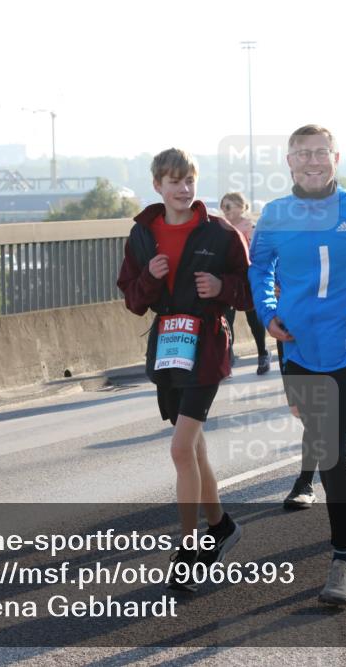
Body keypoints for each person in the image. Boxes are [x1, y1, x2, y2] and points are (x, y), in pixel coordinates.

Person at [249, 124, 346, 605]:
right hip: (298, 346)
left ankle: (341, 558)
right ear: (289, 162)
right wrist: (267, 312)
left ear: (336, 159)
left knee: (332, 451)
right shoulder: (275, 215)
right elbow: (260, 268)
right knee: (324, 444)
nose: (313, 161)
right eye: (303, 154)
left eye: (321, 152)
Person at [116, 148, 250, 592]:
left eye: (189, 180)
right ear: (157, 185)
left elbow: (250, 290)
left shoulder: (221, 232)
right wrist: (150, 277)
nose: (184, 188)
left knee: (180, 449)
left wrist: (221, 287)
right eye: (174, 181)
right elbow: (133, 300)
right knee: (194, 450)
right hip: (168, 350)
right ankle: (222, 525)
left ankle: (189, 550)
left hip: (207, 347)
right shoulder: (142, 234)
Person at [219, 192, 271, 374]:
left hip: (248, 278)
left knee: (253, 318)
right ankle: (228, 357)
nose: (225, 211)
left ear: (241, 207)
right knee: (227, 319)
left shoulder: (251, 228)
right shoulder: (221, 227)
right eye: (222, 207)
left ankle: (263, 353)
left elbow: (259, 253)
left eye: (228, 206)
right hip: (229, 279)